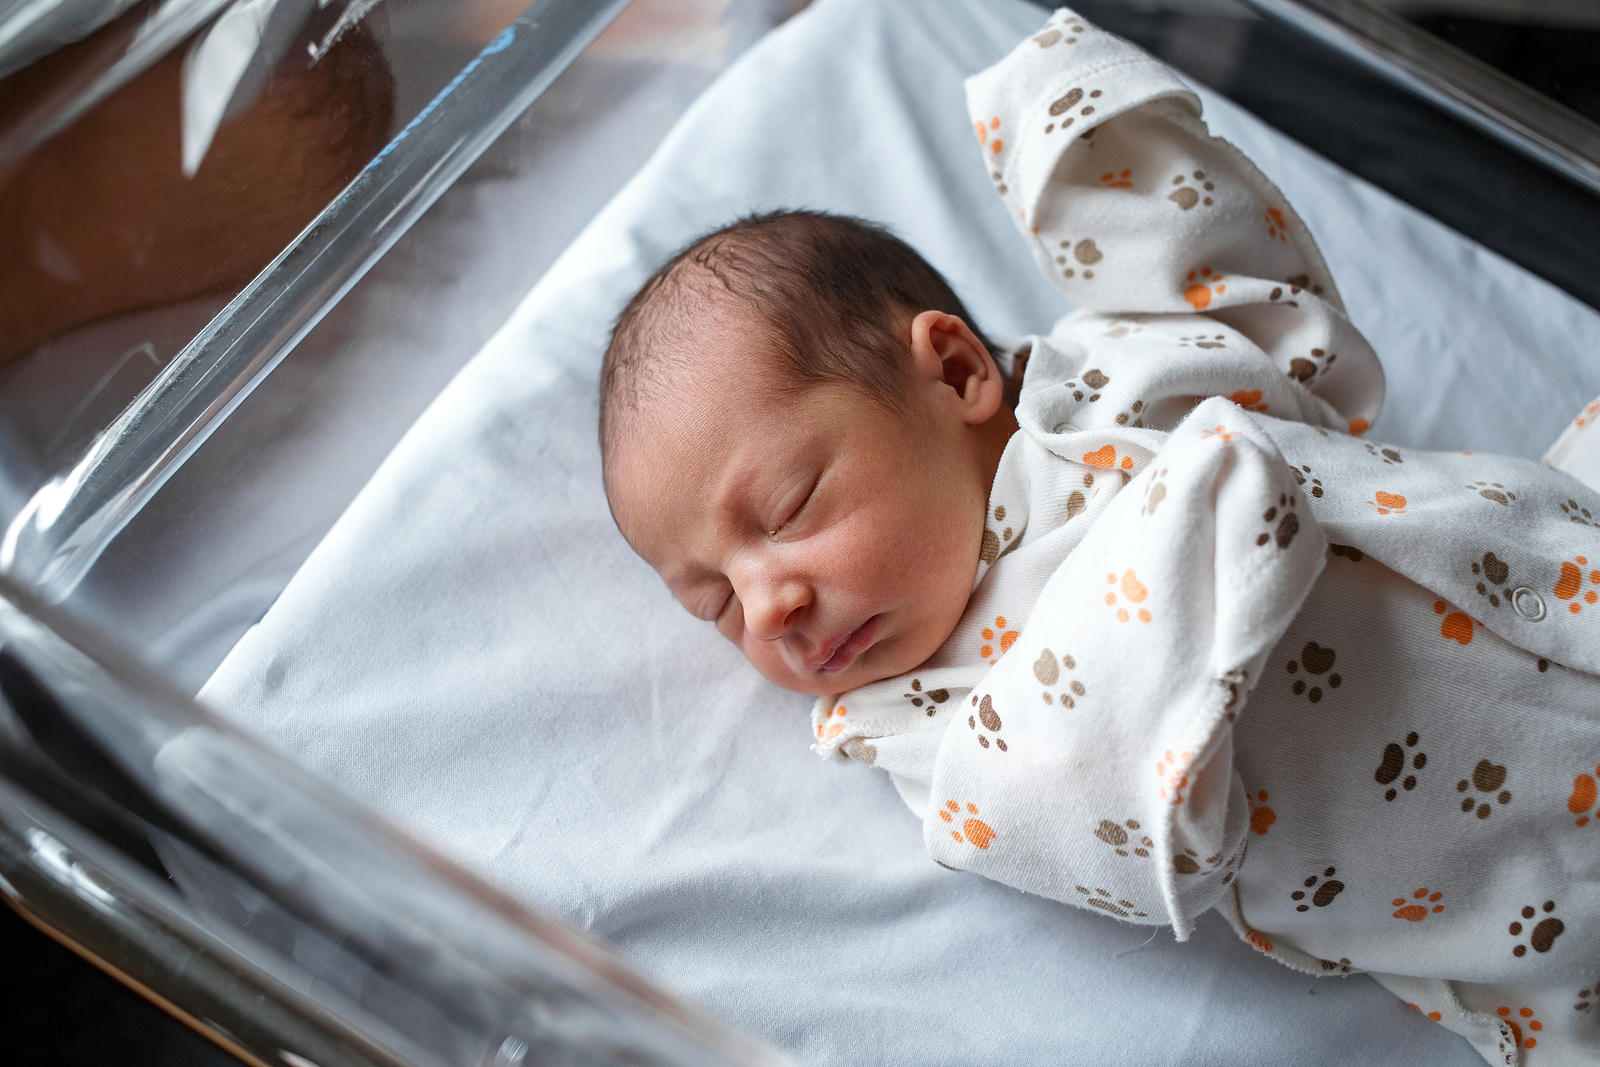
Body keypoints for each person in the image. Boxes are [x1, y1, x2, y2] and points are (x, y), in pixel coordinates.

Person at [600, 10, 1599, 1064]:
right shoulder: (930, 720)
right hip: (1521, 902)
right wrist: (1201, 526)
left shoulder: (1108, 376)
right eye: (712, 602)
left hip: (1547, 550)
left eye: (791, 506)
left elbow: (1275, 332)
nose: (767, 606)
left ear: (953, 374)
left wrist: (1084, 142)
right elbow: (1106, 820)